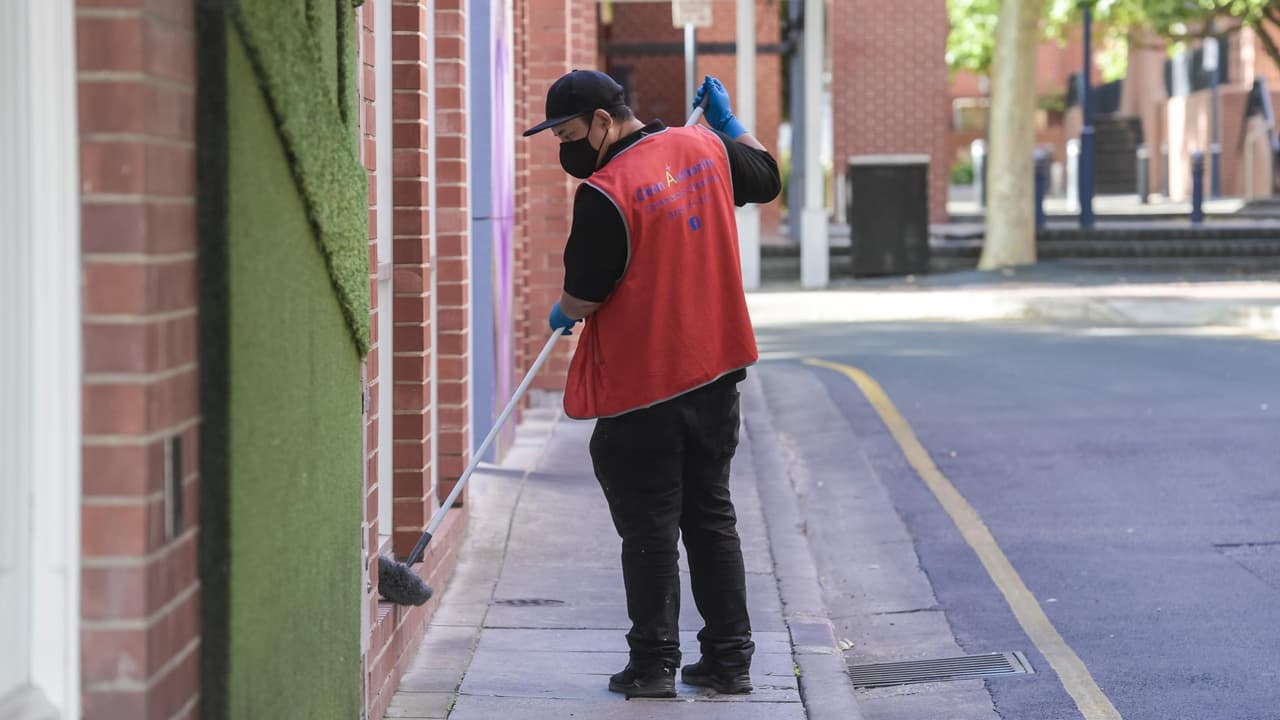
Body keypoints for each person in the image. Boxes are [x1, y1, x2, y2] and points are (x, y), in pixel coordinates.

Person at [522, 69, 781, 699]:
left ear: (603, 121)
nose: (566, 151)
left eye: (569, 135)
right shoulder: (706, 147)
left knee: (650, 529)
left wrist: (564, 311)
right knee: (710, 517)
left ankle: (652, 666)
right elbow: (767, 178)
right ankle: (729, 661)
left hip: (645, 387)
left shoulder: (605, 192)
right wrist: (727, 123)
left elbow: (586, 292)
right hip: (716, 374)